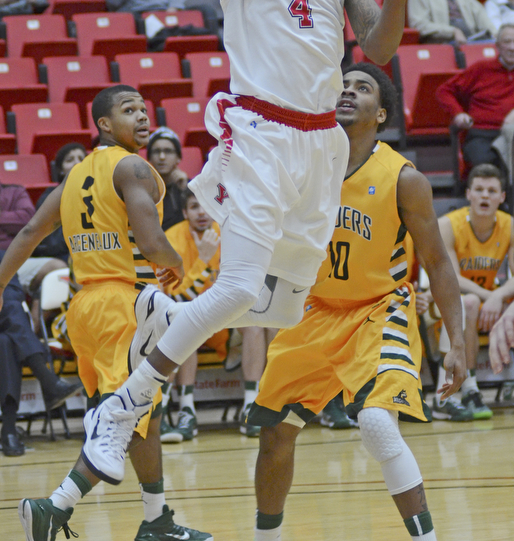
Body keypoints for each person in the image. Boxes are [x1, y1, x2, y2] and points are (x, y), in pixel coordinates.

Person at [28, 0, 429, 487]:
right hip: (260, 129)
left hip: (319, 145)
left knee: (279, 300)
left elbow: (380, 46)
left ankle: (166, 315)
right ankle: (126, 405)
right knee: (242, 284)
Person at [0, 84, 211, 541]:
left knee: (147, 413)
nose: (142, 116)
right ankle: (54, 506)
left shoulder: (74, 176)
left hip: (86, 310)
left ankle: (156, 520)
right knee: (122, 417)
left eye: (144, 109)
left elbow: (27, 233)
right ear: (104, 123)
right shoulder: (133, 167)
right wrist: (177, 263)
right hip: (123, 306)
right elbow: (152, 242)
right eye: (128, 110)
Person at [245, 64, 465, 541]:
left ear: (380, 113)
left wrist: (458, 342)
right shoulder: (304, 166)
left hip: (377, 310)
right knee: (275, 432)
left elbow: (440, 265)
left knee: (375, 424)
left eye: (361, 88)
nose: (347, 91)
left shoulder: (404, 178)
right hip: (315, 311)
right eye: (342, 86)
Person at [0, 199, 81, 456]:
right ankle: (48, 381)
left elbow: (17, 295)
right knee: (5, 308)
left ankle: (9, 431)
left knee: (6, 334)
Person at [161, 189, 269, 442]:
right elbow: (176, 295)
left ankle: (251, 406)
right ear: (185, 212)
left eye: (206, 206)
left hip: (223, 318)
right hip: (190, 314)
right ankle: (186, 410)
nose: (202, 213)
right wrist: (205, 260)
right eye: (195, 207)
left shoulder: (229, 233)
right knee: (184, 323)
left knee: (254, 325)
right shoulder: (171, 239)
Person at [437, 163, 514, 420]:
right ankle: (463, 388)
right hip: (445, 300)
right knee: (467, 301)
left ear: (502, 197)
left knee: (473, 302)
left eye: (492, 191)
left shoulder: (510, 225)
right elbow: (450, 279)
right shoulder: (448, 225)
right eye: (479, 189)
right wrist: (490, 295)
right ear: (468, 194)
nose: (485, 196)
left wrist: (498, 296)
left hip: (484, 301)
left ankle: (475, 388)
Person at [0, 137, 66, 329]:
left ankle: (34, 327)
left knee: (57, 267)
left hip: (14, 260)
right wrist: (8, 223)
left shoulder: (14, 191)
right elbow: (16, 225)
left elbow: (28, 223)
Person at [436, 23, 514, 168]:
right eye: (507, 42)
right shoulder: (481, 69)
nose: (512, 47)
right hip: (481, 134)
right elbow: (444, 91)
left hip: (511, 135)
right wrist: (458, 114)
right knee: (485, 165)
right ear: (497, 45)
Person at [34, 143, 88, 262]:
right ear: (60, 170)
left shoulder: (101, 193)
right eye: (69, 160)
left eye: (81, 159)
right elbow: (50, 243)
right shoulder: (49, 198)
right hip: (61, 258)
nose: (77, 163)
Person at [146, 128, 188, 232]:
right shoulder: (142, 189)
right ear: (149, 158)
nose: (162, 157)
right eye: (156, 151)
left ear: (178, 157)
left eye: (168, 151)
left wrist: (185, 191)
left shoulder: (192, 187)